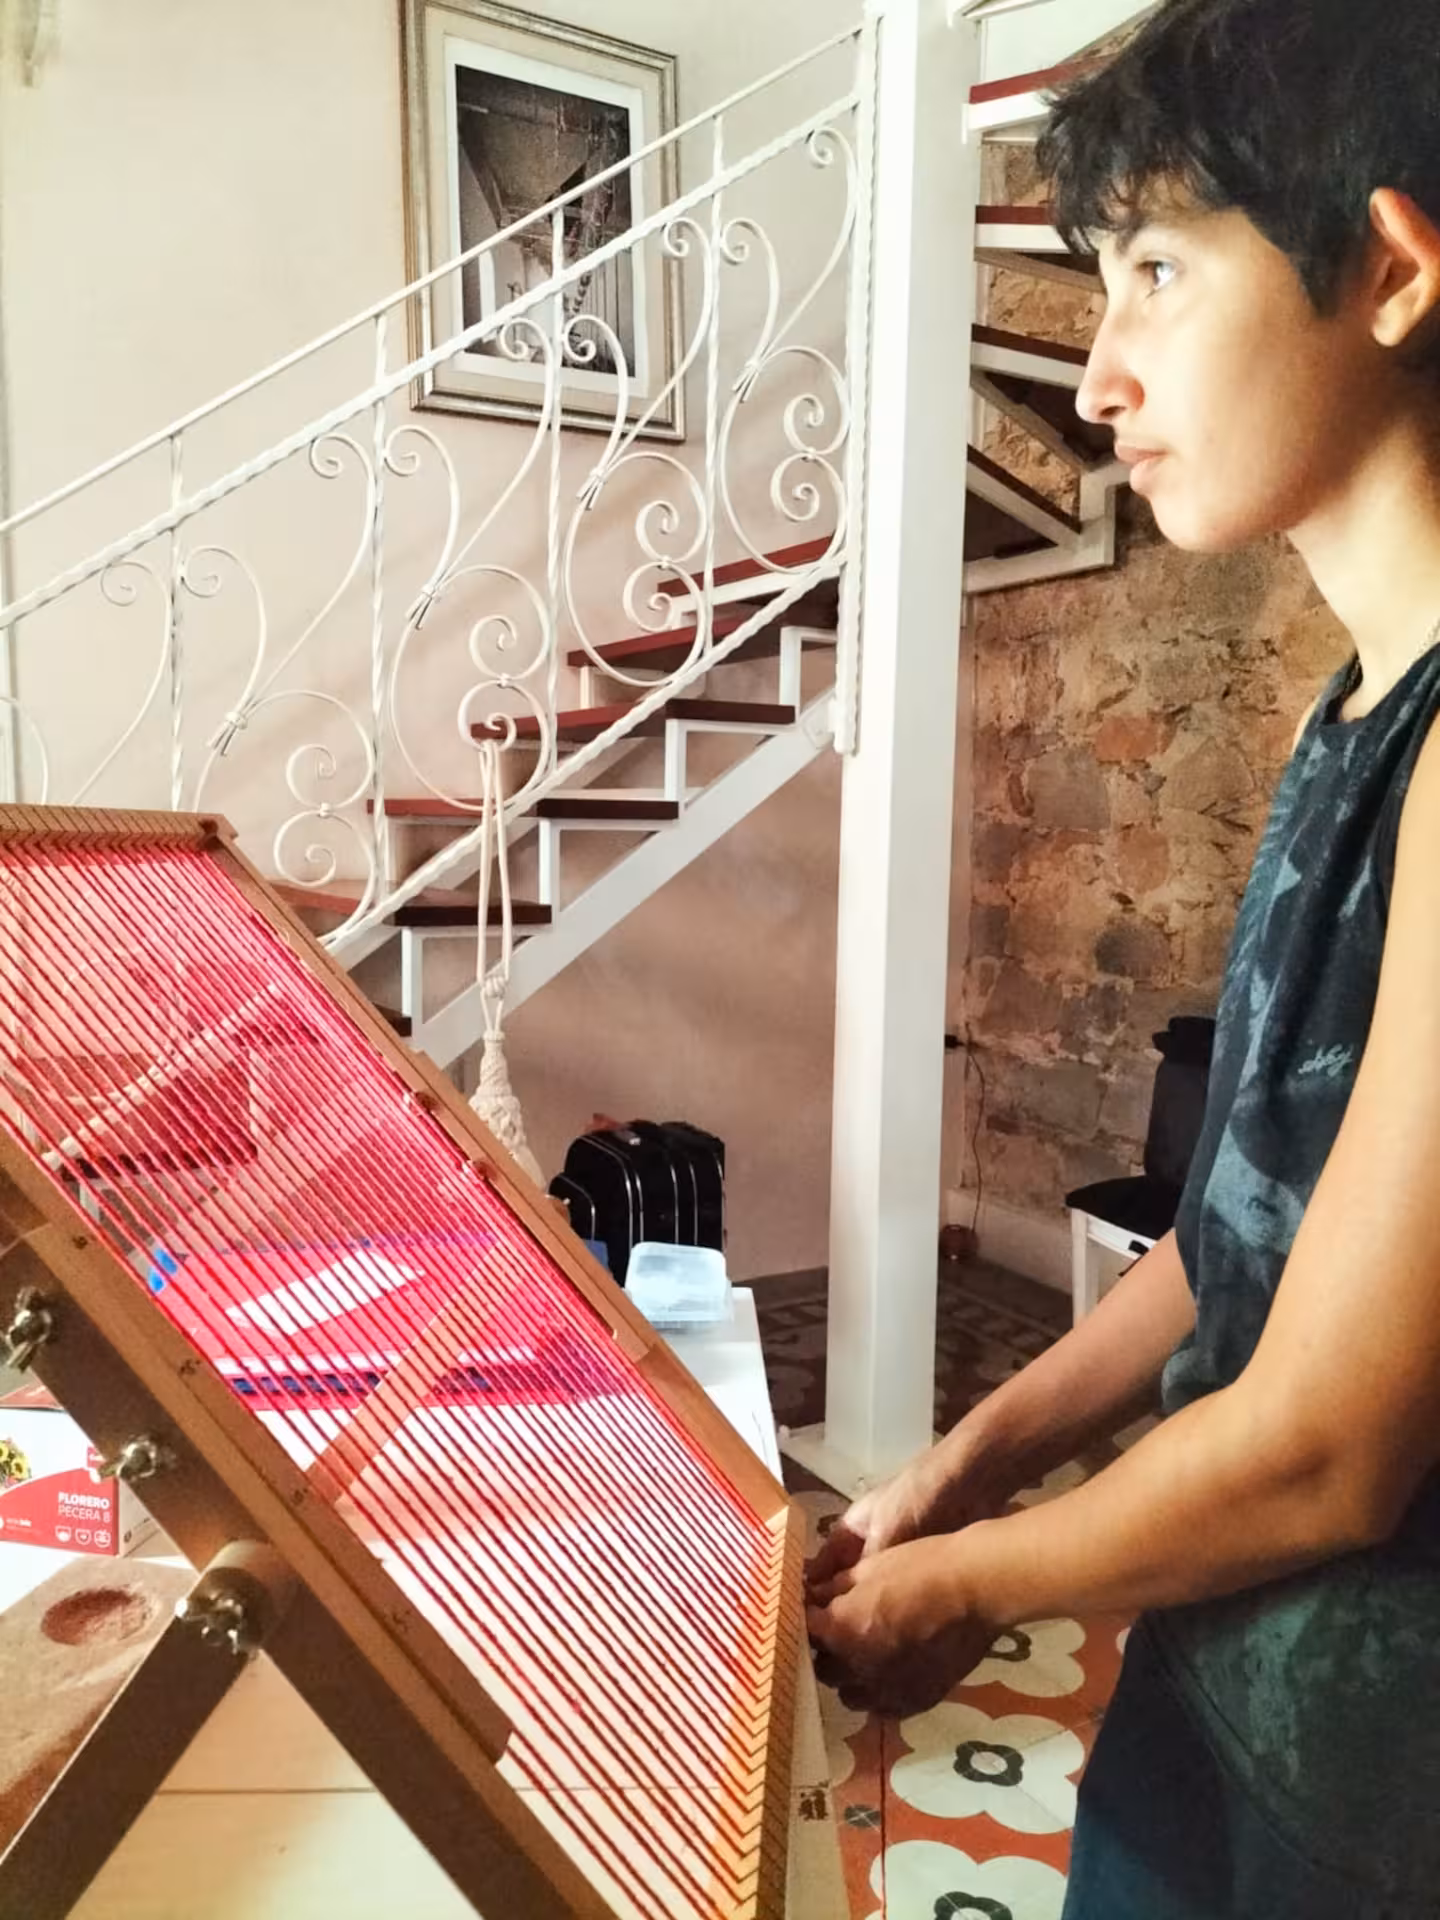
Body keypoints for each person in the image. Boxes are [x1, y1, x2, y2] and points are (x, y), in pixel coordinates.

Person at [804, 0, 1440, 1912]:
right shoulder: (1355, 713)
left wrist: (960, 1585)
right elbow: (1237, 1233)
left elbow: (1329, 1447)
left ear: (1391, 270)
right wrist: (962, 1469)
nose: (1096, 376)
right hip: (1221, 1670)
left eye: (1155, 271)